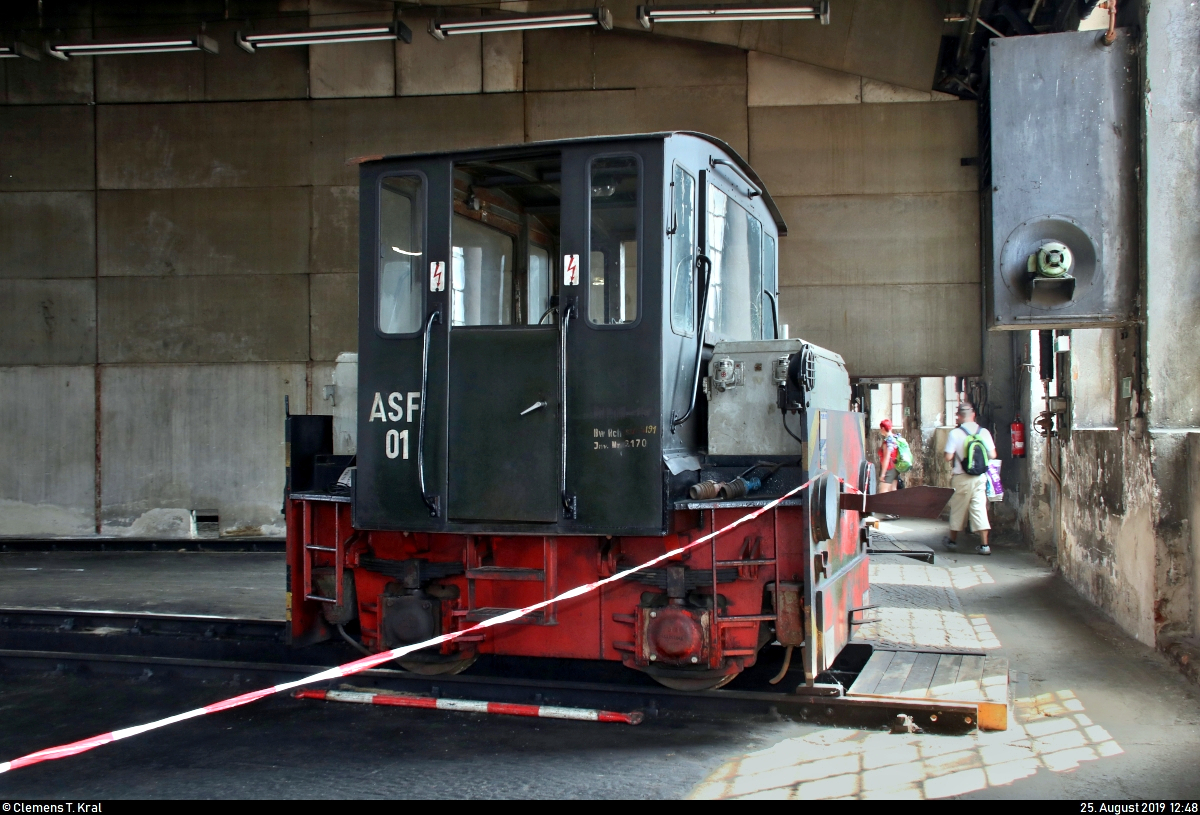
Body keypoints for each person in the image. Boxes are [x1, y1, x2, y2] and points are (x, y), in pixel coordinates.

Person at [943, 403, 998, 555]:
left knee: (958, 509)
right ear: (973, 415)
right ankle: (985, 545)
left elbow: (948, 456)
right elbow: (993, 455)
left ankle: (953, 541)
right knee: (980, 508)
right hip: (980, 477)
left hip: (961, 477)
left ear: (959, 417)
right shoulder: (984, 432)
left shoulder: (955, 434)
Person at [877, 419, 899, 493]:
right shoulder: (895, 438)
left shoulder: (888, 441)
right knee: (893, 491)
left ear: (883, 428)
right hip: (896, 468)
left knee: (883, 492)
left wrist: (883, 474)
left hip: (889, 468)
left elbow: (886, 458)